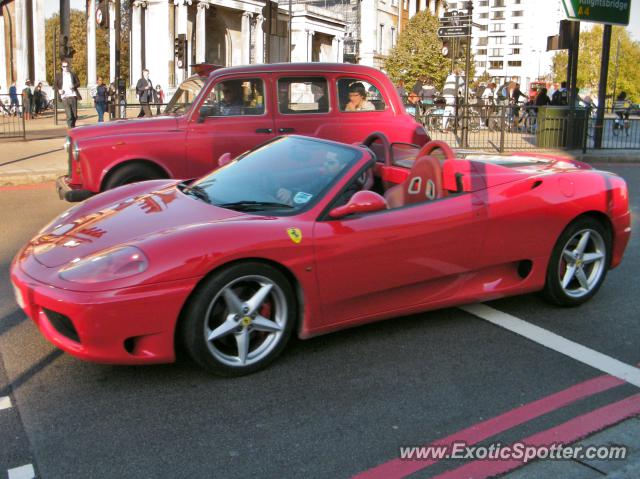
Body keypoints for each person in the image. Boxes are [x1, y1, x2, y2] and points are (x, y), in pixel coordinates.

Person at [55, 60, 82, 128]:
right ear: (62, 67)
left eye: (67, 66)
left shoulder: (72, 74)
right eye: (64, 66)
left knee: (74, 115)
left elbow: (78, 83)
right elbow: (54, 86)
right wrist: (59, 90)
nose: (66, 68)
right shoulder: (58, 75)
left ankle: (73, 126)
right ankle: (71, 129)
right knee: (69, 115)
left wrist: (74, 86)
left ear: (69, 66)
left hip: (73, 96)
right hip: (64, 97)